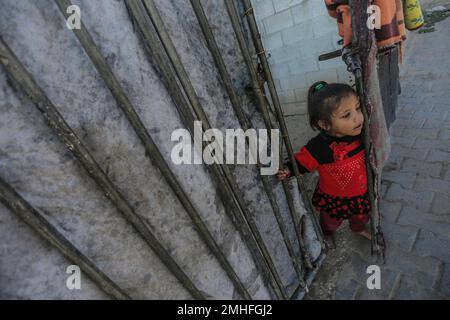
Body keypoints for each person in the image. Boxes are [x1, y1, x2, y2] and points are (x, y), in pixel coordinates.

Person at [277, 81, 371, 241]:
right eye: (346, 115)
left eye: (357, 108)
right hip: (333, 198)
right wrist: (287, 170)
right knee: (330, 221)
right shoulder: (318, 146)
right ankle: (327, 234)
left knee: (360, 217)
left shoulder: (363, 134)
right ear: (325, 124)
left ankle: (358, 229)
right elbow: (301, 163)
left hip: (359, 194)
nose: (358, 118)